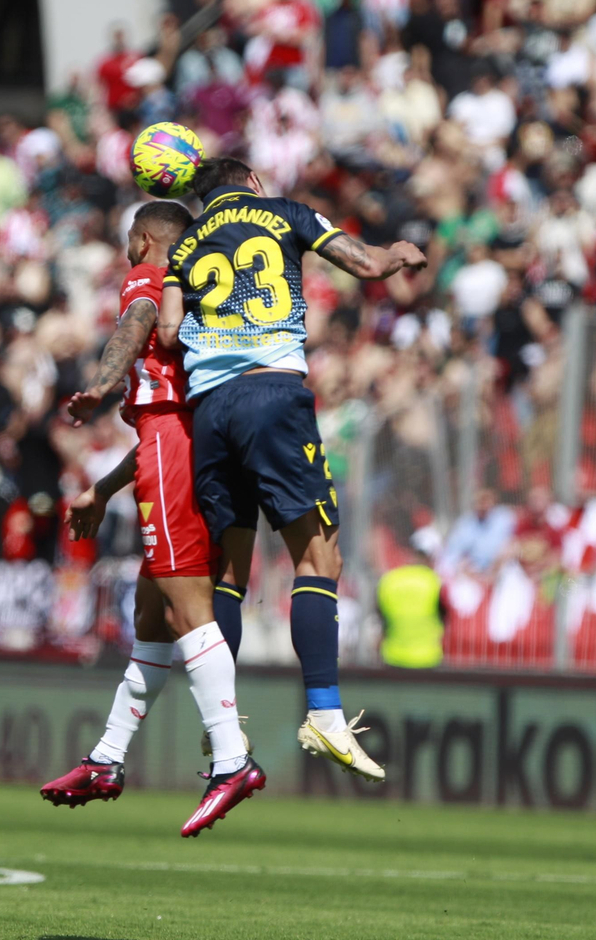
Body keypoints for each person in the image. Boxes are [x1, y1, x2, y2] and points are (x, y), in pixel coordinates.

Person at [158, 157, 427, 782]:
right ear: (251, 183)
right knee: (319, 558)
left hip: (211, 411)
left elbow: (169, 333)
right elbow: (365, 264)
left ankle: (222, 723)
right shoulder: (283, 213)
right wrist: (399, 253)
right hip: (272, 397)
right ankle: (325, 716)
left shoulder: (185, 247)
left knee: (228, 572)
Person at [42, 202, 262, 838]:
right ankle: (106, 758)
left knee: (187, 607)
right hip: (195, 443)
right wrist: (104, 489)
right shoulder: (205, 288)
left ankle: (232, 759)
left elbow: (136, 325)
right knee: (152, 615)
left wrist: (101, 384)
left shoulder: (151, 276)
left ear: (142, 240)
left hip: (173, 443)